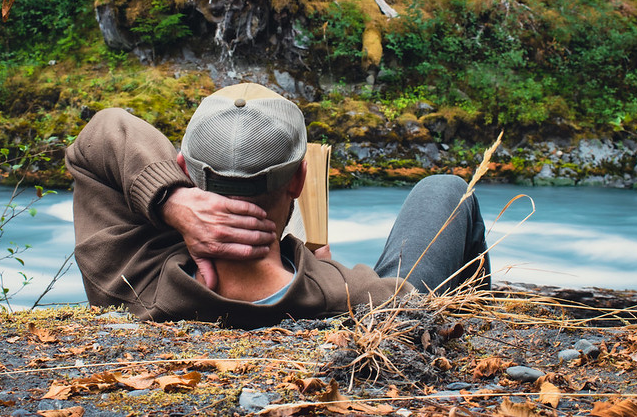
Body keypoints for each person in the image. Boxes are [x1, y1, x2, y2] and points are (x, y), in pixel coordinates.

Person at [65, 83, 489, 328]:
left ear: (184, 170)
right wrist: (320, 271)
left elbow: (103, 131)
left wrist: (171, 199)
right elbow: (408, 304)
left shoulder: (131, 279)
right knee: (445, 189)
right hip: (330, 287)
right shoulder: (363, 298)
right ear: (300, 180)